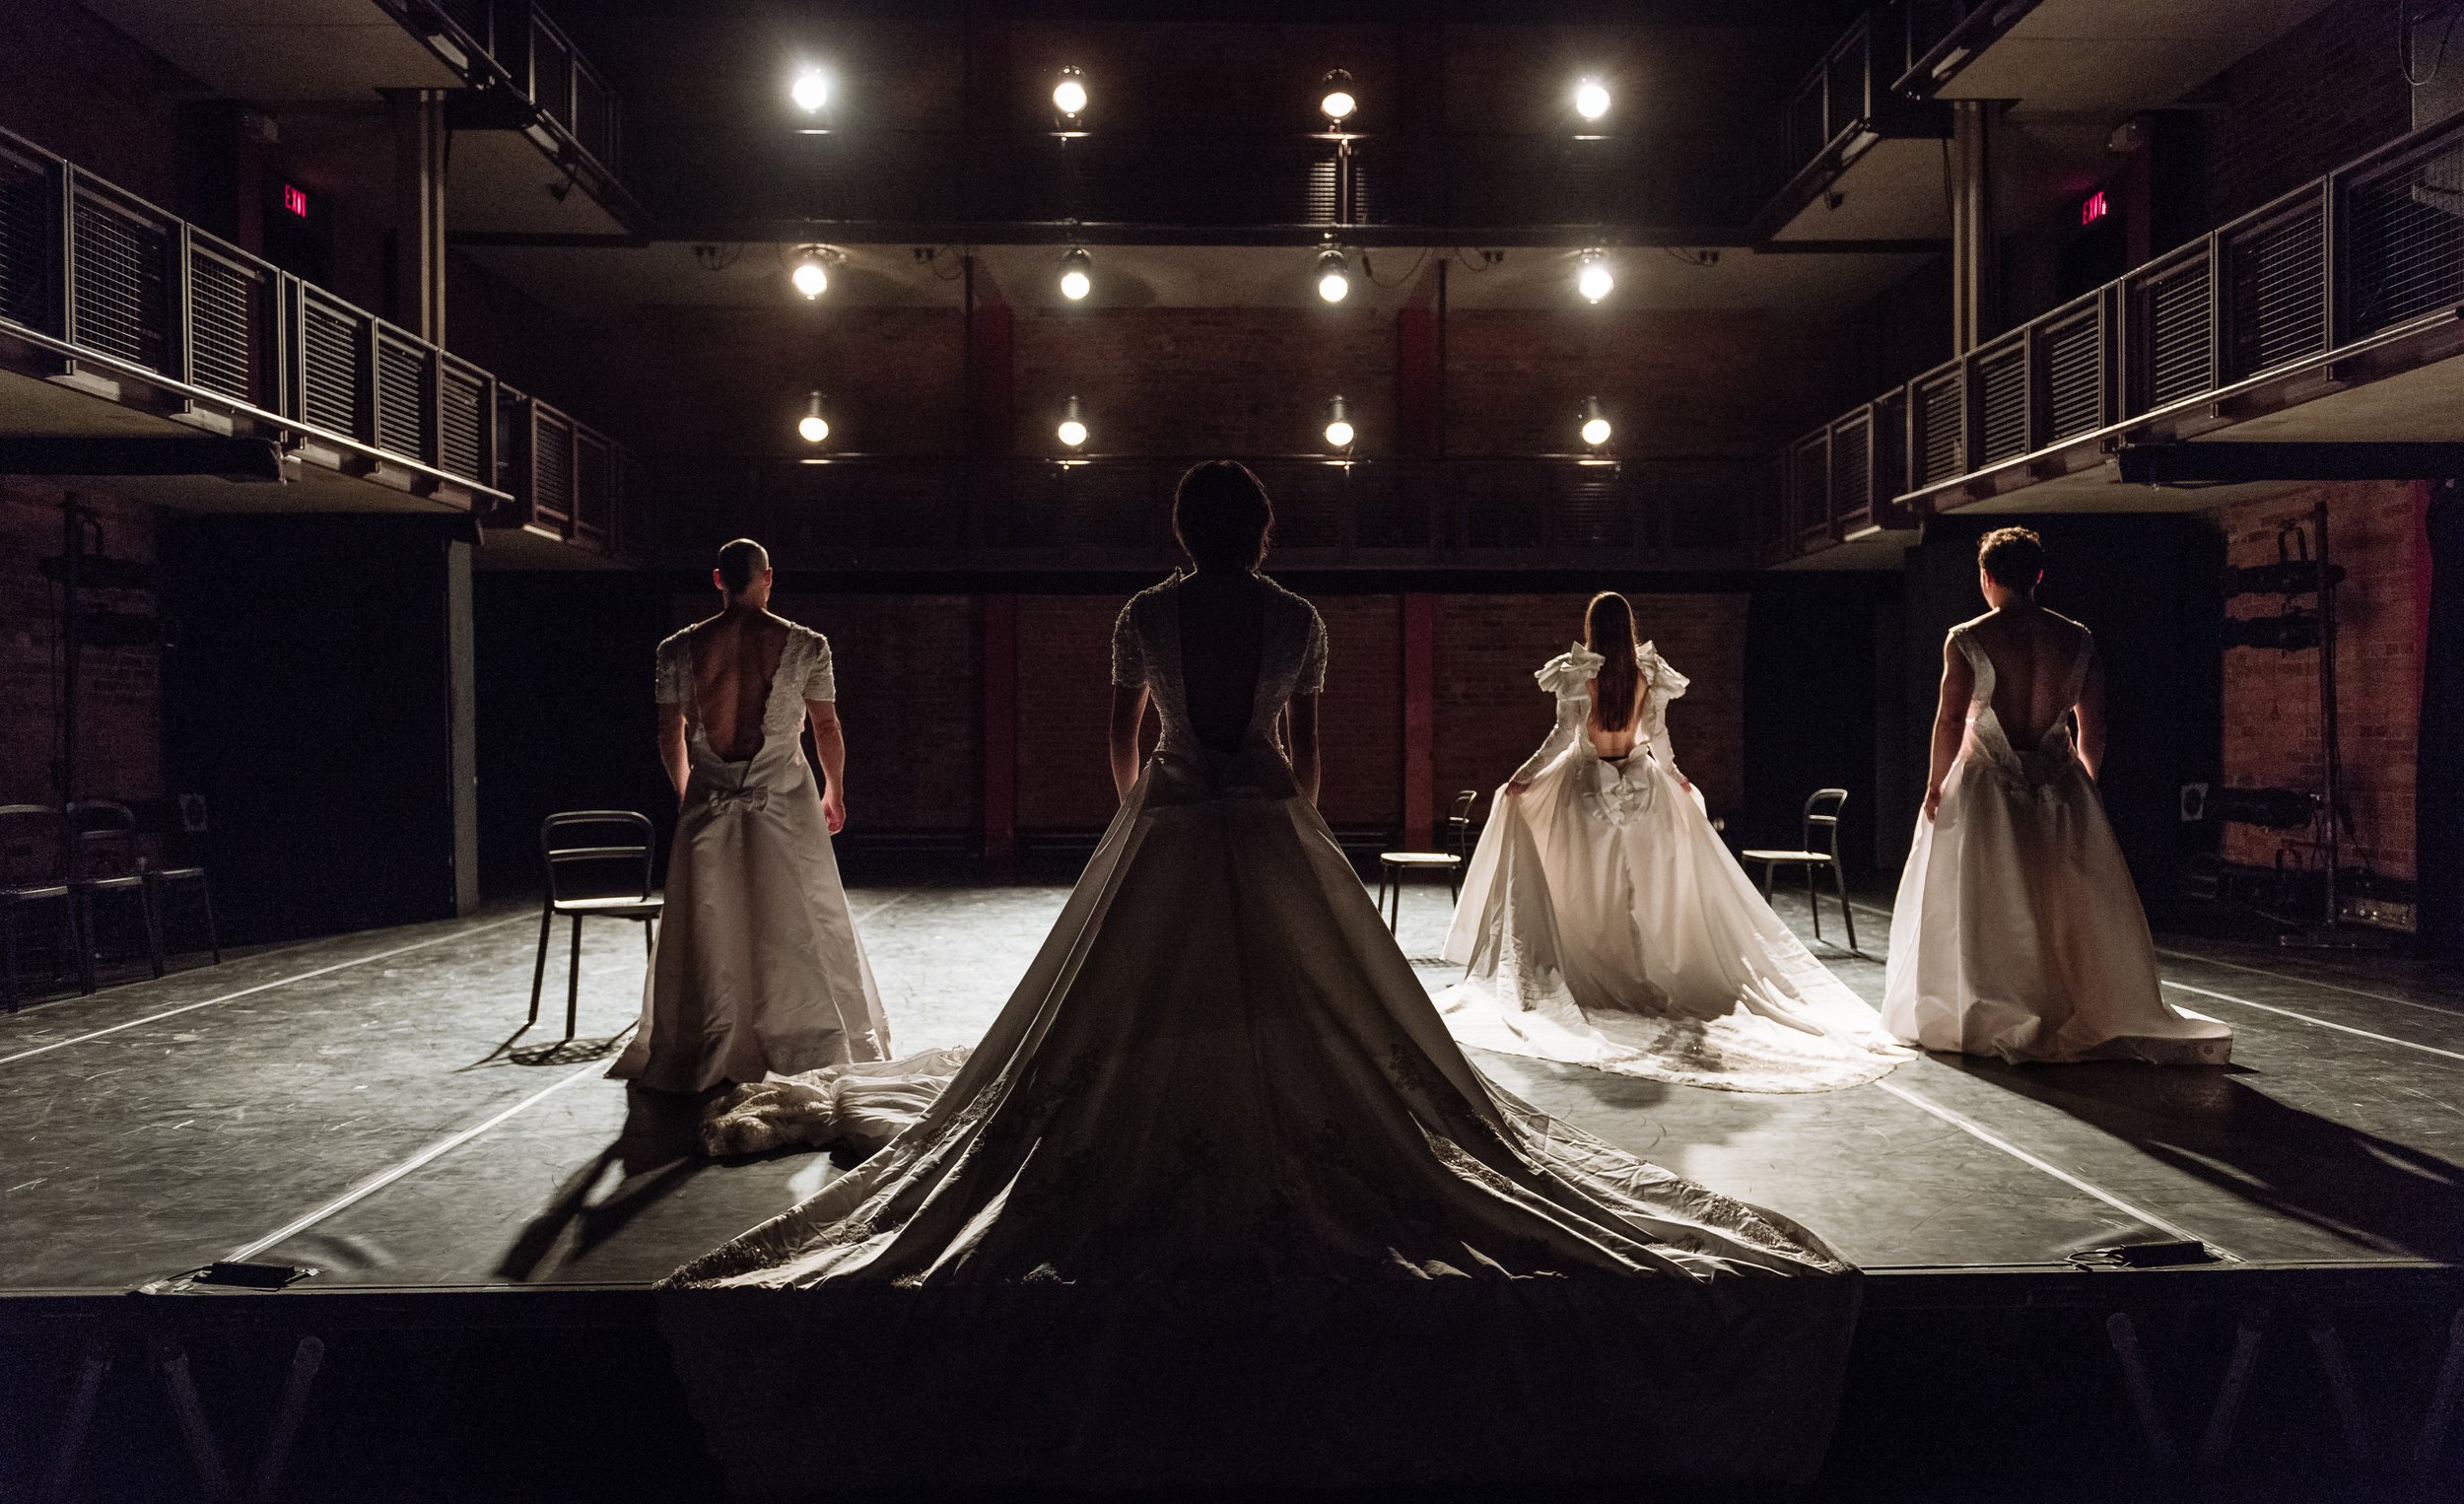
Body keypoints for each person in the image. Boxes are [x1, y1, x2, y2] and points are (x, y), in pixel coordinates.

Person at [660, 465, 1859, 1487]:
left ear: (1184, 533)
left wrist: (1144, 803)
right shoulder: (1296, 618)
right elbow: (1314, 755)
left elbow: (1125, 736)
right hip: (1266, 814)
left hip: (1176, 817)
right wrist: (1288, 821)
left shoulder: (1143, 612)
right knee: (1323, 1016)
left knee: (1123, 1014)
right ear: (1265, 533)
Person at [1438, 592, 1903, 1092]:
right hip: (1643, 790)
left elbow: (1563, 735)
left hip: (1584, 789)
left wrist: (1522, 778)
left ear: (1592, 627)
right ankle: (1640, 969)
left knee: (1586, 889)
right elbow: (1657, 738)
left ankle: (1593, 972)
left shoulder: (1578, 673)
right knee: (1640, 889)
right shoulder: (1648, 673)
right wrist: (1678, 779)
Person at [1881, 527, 2230, 1064]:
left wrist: (1934, 783)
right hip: (2059, 785)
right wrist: (2080, 781)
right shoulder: (2077, 639)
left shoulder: (1967, 637)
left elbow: (1951, 717)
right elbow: (2094, 723)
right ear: (2039, 575)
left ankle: (1992, 999)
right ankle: (2062, 1000)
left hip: (1985, 788)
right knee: (2057, 897)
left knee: (1988, 898)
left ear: (1987, 577)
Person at [607, 538, 891, 1093]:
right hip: (785, 800)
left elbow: (671, 735)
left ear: (718, 579)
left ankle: (712, 1039)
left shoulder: (675, 650)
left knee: (710, 921)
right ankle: (806, 1034)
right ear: (768, 579)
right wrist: (834, 791)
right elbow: (827, 729)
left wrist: (692, 792)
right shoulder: (807, 645)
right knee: (801, 917)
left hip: (708, 800)